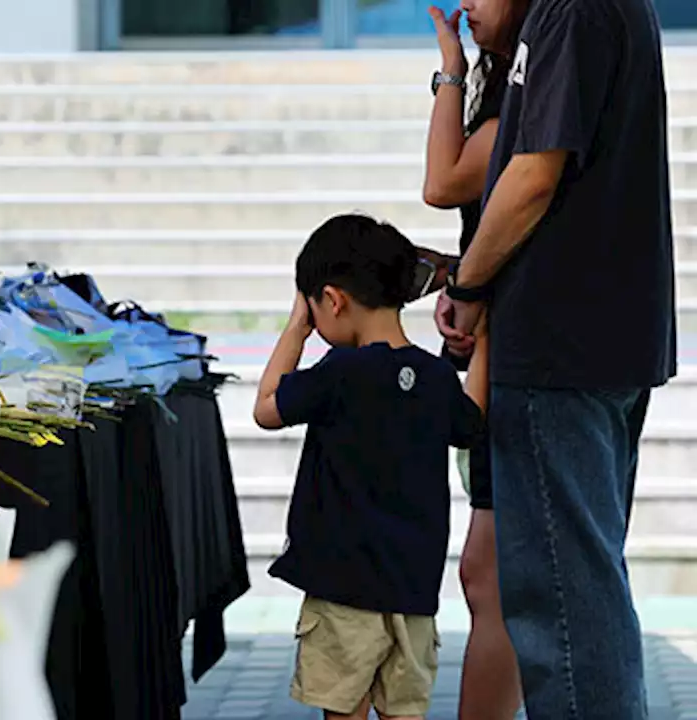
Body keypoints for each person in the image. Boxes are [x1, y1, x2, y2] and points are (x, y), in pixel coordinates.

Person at [436, 0, 677, 714]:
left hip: (560, 350)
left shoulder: (572, 12)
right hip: (596, 344)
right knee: (583, 594)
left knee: (566, 611)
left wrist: (467, 284)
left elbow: (533, 175)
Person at [253, 214, 487, 720]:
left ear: (332, 300)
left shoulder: (338, 372)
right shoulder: (435, 379)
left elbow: (266, 408)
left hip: (343, 591)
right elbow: (475, 423)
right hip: (414, 593)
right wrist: (483, 337)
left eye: (315, 309)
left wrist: (296, 325)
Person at [420, 1, 529, 717]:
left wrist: (451, 71)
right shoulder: (509, 90)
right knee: (485, 573)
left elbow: (441, 181)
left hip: (513, 353)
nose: (465, 7)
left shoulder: (524, 100)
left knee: (489, 576)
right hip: (488, 343)